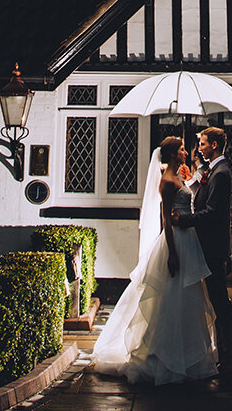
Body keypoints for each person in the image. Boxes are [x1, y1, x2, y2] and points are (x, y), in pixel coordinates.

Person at [90, 137, 218, 385]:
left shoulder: (179, 176)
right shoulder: (167, 183)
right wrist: (171, 252)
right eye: (181, 149)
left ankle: (189, 355)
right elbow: (166, 221)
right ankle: (164, 355)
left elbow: (189, 198)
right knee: (171, 299)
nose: (185, 152)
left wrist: (193, 174)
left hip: (188, 240)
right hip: (176, 241)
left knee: (189, 297)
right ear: (172, 154)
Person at [174, 124, 232, 386]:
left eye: (202, 143)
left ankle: (229, 360)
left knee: (220, 303)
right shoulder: (212, 171)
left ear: (213, 145)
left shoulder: (221, 173)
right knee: (215, 301)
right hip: (208, 246)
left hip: (213, 247)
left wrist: (184, 220)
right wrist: (192, 181)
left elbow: (212, 212)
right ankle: (223, 356)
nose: (198, 148)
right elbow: (203, 198)